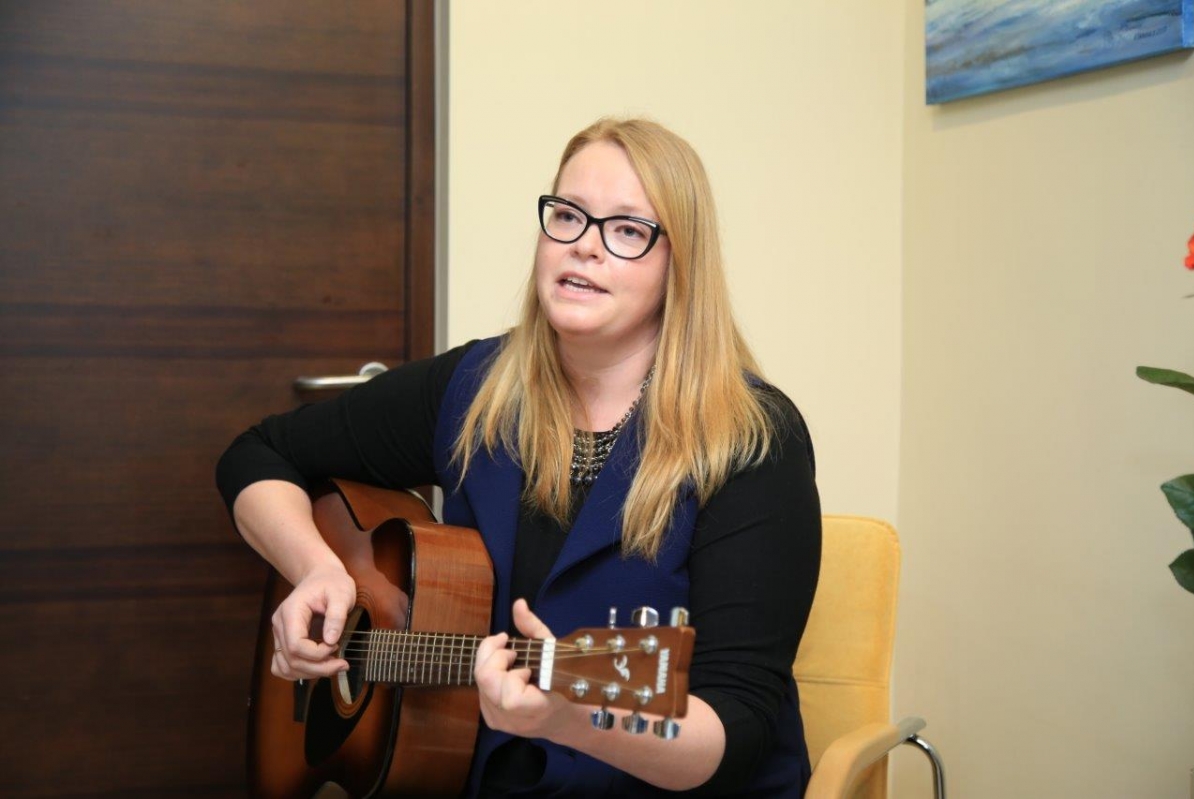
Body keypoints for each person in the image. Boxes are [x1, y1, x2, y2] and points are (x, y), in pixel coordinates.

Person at [216, 117, 822, 797]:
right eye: (568, 215)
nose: (584, 246)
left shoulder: (753, 440)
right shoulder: (477, 387)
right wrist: (316, 570)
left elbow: (736, 731)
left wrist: (575, 720)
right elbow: (258, 454)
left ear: (680, 265)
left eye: (627, 230)